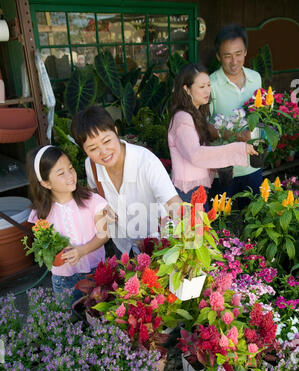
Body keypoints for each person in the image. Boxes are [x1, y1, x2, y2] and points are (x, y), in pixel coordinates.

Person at [71, 105, 181, 257]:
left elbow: (174, 203)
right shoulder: (91, 165)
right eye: (93, 148)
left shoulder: (146, 162)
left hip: (158, 247)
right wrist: (101, 207)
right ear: (84, 150)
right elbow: (93, 194)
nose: (103, 152)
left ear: (116, 131)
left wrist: (194, 248)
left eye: (107, 141)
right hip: (122, 245)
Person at [168, 62, 258, 207]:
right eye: (202, 87)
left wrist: (220, 164)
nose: (207, 91)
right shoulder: (182, 118)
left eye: (209, 85)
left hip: (197, 189)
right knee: (193, 230)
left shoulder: (195, 113)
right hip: (187, 193)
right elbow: (195, 155)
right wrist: (240, 148)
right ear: (187, 89)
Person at [26, 145, 109, 299]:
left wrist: (82, 250)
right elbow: (44, 245)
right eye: (61, 173)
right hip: (64, 279)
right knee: (69, 318)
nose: (70, 175)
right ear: (46, 183)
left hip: (95, 272)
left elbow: (104, 234)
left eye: (71, 168)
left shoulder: (91, 201)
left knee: (98, 316)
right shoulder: (41, 213)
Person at [209, 23, 263, 207]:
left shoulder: (256, 78)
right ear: (218, 56)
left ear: (246, 52)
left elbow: (261, 114)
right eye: (227, 56)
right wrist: (235, 136)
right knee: (223, 226)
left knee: (254, 221)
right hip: (224, 171)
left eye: (238, 54)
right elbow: (204, 127)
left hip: (252, 165)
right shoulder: (210, 84)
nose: (234, 61)